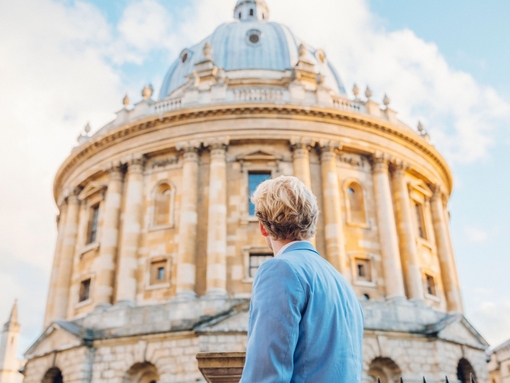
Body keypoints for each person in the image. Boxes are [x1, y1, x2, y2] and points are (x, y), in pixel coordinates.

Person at [240, 176, 364, 383]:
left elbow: (266, 373)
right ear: (312, 222)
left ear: (263, 227)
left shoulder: (280, 269)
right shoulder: (343, 284)